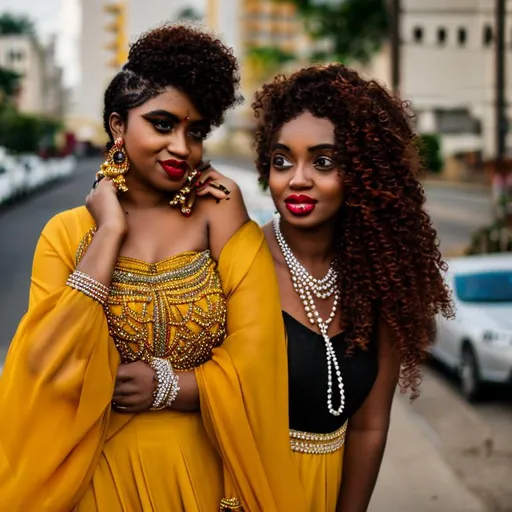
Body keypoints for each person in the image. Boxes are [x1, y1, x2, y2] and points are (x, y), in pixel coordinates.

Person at [0, 25, 306, 512]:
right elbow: (48, 370)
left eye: (196, 132)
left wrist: (170, 387)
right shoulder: (67, 234)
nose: (182, 147)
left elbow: (260, 357)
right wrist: (108, 234)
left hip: (206, 480)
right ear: (118, 126)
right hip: (94, 481)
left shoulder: (219, 215)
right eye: (162, 124)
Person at [251, 64, 454, 511]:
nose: (297, 179)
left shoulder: (378, 279)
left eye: (323, 161)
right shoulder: (239, 260)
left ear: (364, 175)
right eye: (281, 160)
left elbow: (368, 427)